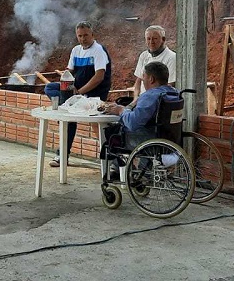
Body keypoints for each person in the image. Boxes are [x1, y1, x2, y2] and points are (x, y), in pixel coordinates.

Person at [43, 21, 112, 167]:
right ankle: (68, 106)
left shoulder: (99, 50)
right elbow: (69, 72)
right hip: (76, 93)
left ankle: (67, 107)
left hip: (93, 94)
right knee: (50, 88)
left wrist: (79, 92)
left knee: (68, 119)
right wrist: (66, 81)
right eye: (80, 36)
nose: (83, 39)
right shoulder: (75, 50)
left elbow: (99, 77)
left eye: (86, 35)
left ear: (92, 34)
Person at [100, 62, 183, 170]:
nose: (143, 81)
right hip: (171, 138)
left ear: (151, 79)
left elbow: (132, 123)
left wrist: (121, 110)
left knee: (114, 132)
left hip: (149, 140)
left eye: (144, 77)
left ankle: (115, 169)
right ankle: (137, 169)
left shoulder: (150, 96)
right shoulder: (174, 93)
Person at [132, 25, 178, 98]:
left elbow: (170, 85)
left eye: (155, 38)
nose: (151, 42)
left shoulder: (172, 57)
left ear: (163, 39)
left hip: (158, 101)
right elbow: (138, 80)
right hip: (142, 99)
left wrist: (149, 100)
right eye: (148, 39)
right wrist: (135, 99)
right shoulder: (144, 56)